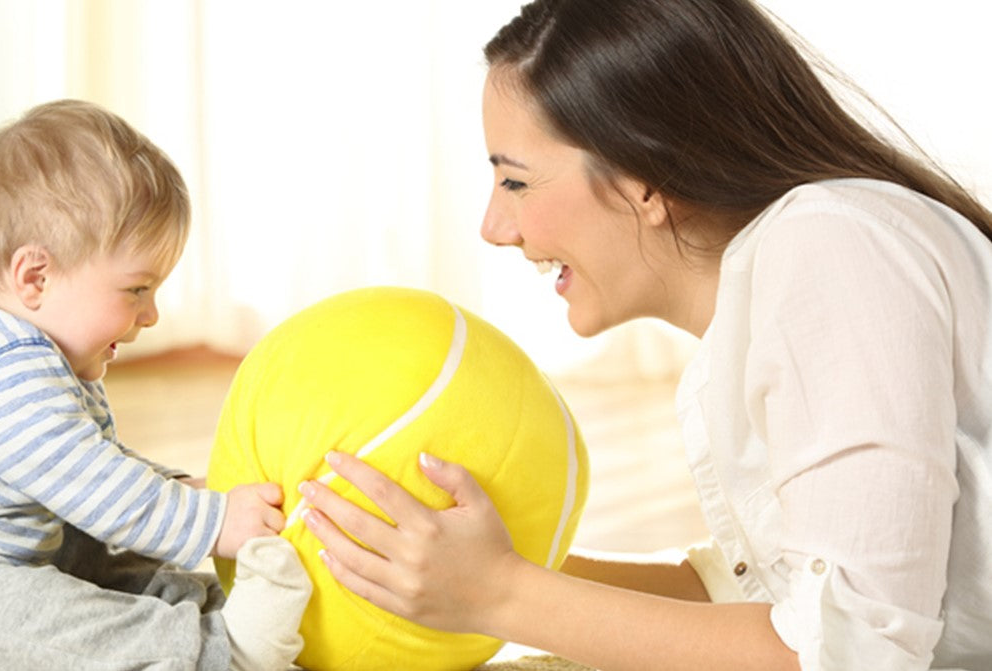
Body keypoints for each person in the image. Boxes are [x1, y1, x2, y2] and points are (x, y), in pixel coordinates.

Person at [296, 1, 992, 669]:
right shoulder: (791, 274)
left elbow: (844, 653)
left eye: (514, 181)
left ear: (646, 181)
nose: (494, 228)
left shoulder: (829, 248)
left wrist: (498, 591)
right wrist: (440, 562)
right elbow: (762, 599)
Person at [0, 99, 310, 671]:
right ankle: (224, 653)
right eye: (137, 290)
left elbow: (92, 466)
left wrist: (186, 491)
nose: (152, 316)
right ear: (36, 277)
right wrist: (213, 522)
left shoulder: (32, 345)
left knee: (103, 553)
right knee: (38, 614)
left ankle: (202, 614)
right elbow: (94, 483)